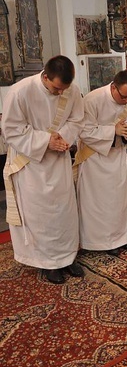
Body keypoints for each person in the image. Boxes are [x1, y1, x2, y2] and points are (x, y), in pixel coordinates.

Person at [1, 55, 85, 284]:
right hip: (32, 165)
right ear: (45, 76)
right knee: (42, 216)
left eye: (64, 89)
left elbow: (78, 120)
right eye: (56, 88)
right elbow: (11, 130)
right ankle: (48, 264)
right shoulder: (20, 92)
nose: (60, 93)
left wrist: (64, 138)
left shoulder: (71, 90)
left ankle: (67, 257)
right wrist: (46, 141)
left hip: (58, 159)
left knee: (64, 212)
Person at [76, 69, 127, 256]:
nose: (126, 102)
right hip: (95, 159)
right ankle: (100, 242)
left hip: (117, 155)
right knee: (99, 203)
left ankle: (120, 238)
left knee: (118, 200)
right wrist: (112, 130)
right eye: (123, 97)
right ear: (113, 87)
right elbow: (84, 131)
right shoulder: (92, 100)